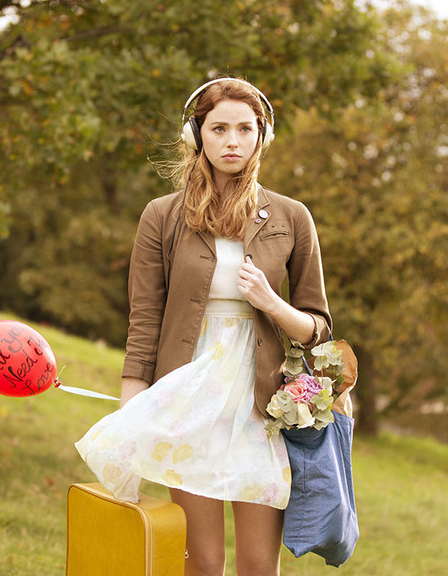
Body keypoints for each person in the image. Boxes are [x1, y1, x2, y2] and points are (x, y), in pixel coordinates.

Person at [75, 77, 332, 576]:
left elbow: (318, 328)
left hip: (264, 406)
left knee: (259, 567)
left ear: (262, 136)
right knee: (201, 563)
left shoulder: (293, 217)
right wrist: (134, 408)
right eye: (218, 128)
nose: (232, 141)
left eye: (244, 128)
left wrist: (272, 304)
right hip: (187, 398)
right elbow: (144, 319)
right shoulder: (161, 216)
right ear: (198, 136)